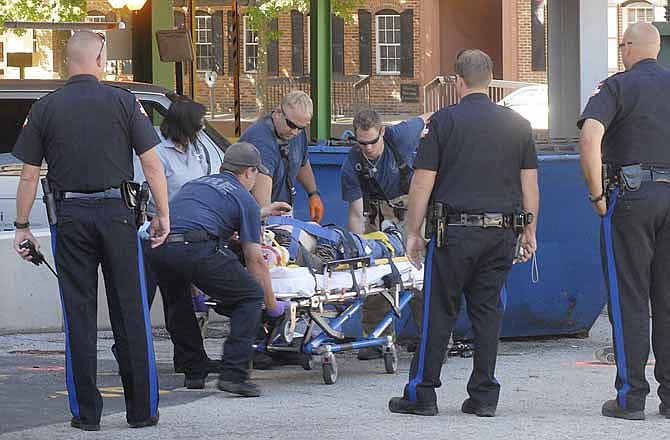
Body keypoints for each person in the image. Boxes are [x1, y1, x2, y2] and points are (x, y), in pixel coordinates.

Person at [12, 31, 169, 430]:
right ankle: (141, 411)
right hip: (118, 215)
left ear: (68, 61)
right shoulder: (124, 101)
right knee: (130, 312)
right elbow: (152, 164)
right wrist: (162, 213)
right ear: (100, 59)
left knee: (78, 316)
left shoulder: (44, 107)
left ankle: (86, 416)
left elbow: (29, 176)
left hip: (69, 219)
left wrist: (22, 226)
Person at [388, 49, 539, 417]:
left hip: (453, 234)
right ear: (490, 76)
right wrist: (530, 231)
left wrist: (413, 231)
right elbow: (530, 184)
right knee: (488, 314)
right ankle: (484, 396)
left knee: (439, 312)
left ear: (458, 81)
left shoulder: (443, 122)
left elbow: (423, 183)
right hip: (501, 234)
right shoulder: (518, 124)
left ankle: (423, 394)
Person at [578, 22, 670, 421]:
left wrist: (597, 194)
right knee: (667, 300)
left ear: (630, 47)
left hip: (631, 199)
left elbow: (589, 138)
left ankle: (632, 398)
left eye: (622, 45)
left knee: (629, 297)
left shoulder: (616, 86)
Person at [146, 142, 290, 395]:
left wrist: (263, 211)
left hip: (161, 247)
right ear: (248, 172)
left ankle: (194, 370)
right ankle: (234, 374)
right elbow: (255, 259)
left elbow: (209, 210)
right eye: (256, 173)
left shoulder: (198, 184)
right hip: (196, 247)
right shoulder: (244, 197)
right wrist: (271, 305)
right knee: (249, 296)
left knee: (179, 303)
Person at [133, 93, 220, 374]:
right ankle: (129, 354)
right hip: (154, 234)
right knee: (141, 301)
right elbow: (148, 194)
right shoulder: (157, 152)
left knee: (179, 300)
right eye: (199, 124)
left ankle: (190, 359)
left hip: (182, 236)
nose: (202, 129)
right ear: (184, 125)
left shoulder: (196, 150)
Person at [340, 109, 430, 360]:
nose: (367, 148)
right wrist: (358, 250)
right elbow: (356, 214)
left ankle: (433, 340)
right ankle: (377, 338)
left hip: (411, 214)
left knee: (419, 277)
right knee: (374, 276)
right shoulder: (352, 165)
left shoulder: (400, 135)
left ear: (382, 132)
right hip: (377, 218)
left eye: (371, 141)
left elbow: (428, 117)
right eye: (361, 142)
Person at [239, 90, 324, 222]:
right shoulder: (261, 142)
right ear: (278, 112)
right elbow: (263, 205)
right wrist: (267, 224)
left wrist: (313, 193)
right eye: (292, 125)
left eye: (301, 127)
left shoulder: (295, 132)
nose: (295, 132)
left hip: (282, 207)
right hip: (254, 213)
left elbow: (301, 162)